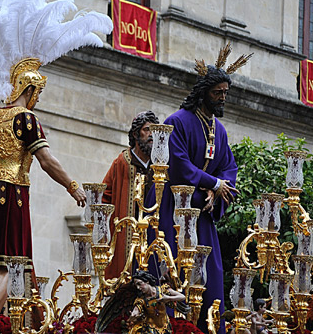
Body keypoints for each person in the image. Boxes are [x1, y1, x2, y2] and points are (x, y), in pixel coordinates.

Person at [0, 58, 87, 317]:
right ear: (27, 89)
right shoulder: (25, 119)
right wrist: (71, 185)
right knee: (12, 267)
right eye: (38, 92)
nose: (38, 99)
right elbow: (46, 160)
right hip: (10, 194)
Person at [147, 44, 251, 334]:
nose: (222, 98)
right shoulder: (176, 122)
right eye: (218, 92)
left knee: (210, 275)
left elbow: (228, 166)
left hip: (202, 213)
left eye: (225, 93)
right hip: (176, 210)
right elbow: (179, 165)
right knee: (172, 268)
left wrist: (217, 189)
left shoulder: (220, 129)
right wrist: (212, 184)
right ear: (204, 91)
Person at [102, 111, 159, 280]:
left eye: (154, 131)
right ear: (135, 134)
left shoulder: (159, 165)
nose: (151, 135)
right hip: (126, 233)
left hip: (152, 231)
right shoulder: (122, 162)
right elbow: (104, 196)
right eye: (147, 130)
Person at [95, 270, 186, 334]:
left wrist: (167, 298)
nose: (138, 288)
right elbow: (136, 310)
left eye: (139, 284)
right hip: (150, 328)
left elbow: (182, 297)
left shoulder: (162, 290)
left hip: (165, 325)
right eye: (136, 285)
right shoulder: (141, 300)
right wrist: (133, 316)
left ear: (147, 281)